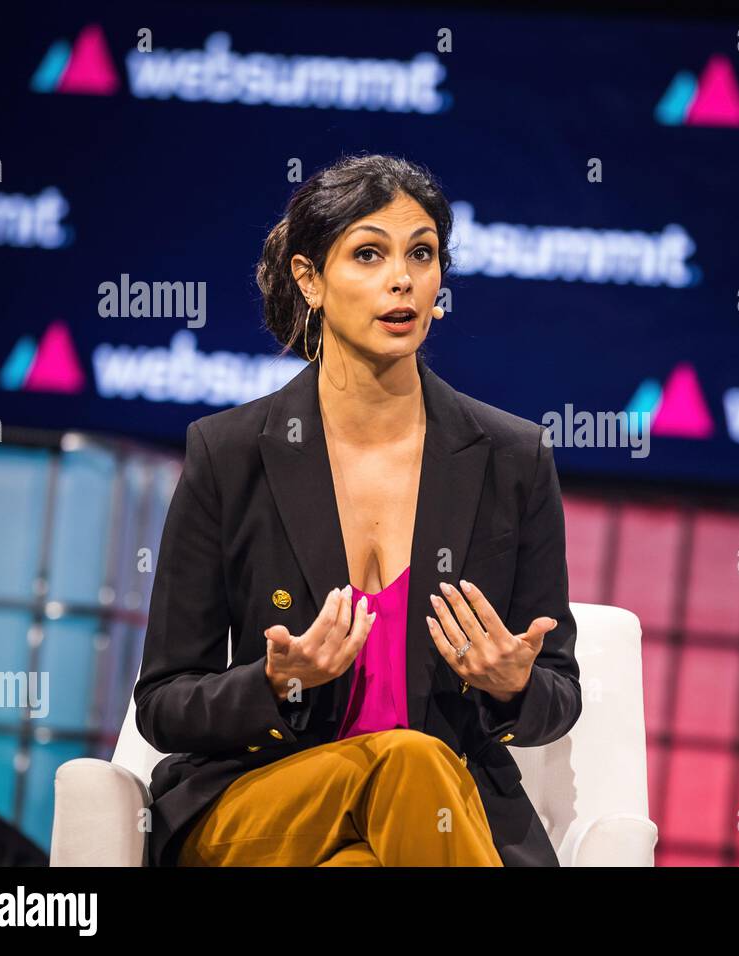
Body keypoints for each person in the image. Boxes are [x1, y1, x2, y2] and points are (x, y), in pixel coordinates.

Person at [132, 153, 582, 867]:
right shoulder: (229, 453)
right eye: (369, 254)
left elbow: (559, 692)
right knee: (407, 760)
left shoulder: (512, 458)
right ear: (309, 279)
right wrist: (278, 680)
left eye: (422, 254)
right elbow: (162, 702)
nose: (402, 278)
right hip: (264, 803)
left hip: (434, 817)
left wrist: (515, 683)